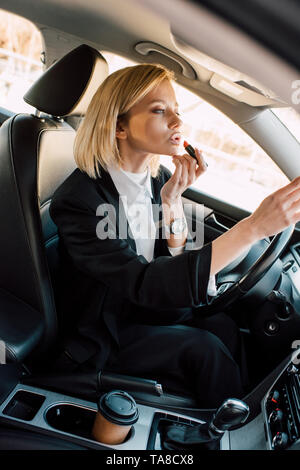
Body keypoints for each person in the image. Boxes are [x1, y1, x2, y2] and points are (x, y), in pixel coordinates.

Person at [50, 63, 300, 408]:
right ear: (119, 126)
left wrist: (171, 201)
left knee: (223, 325)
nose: (178, 123)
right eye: (158, 110)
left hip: (139, 307)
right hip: (103, 329)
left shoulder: (155, 180)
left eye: (177, 111)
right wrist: (253, 228)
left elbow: (170, 255)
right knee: (205, 350)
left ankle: (246, 414)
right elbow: (142, 281)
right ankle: (228, 432)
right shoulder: (80, 201)